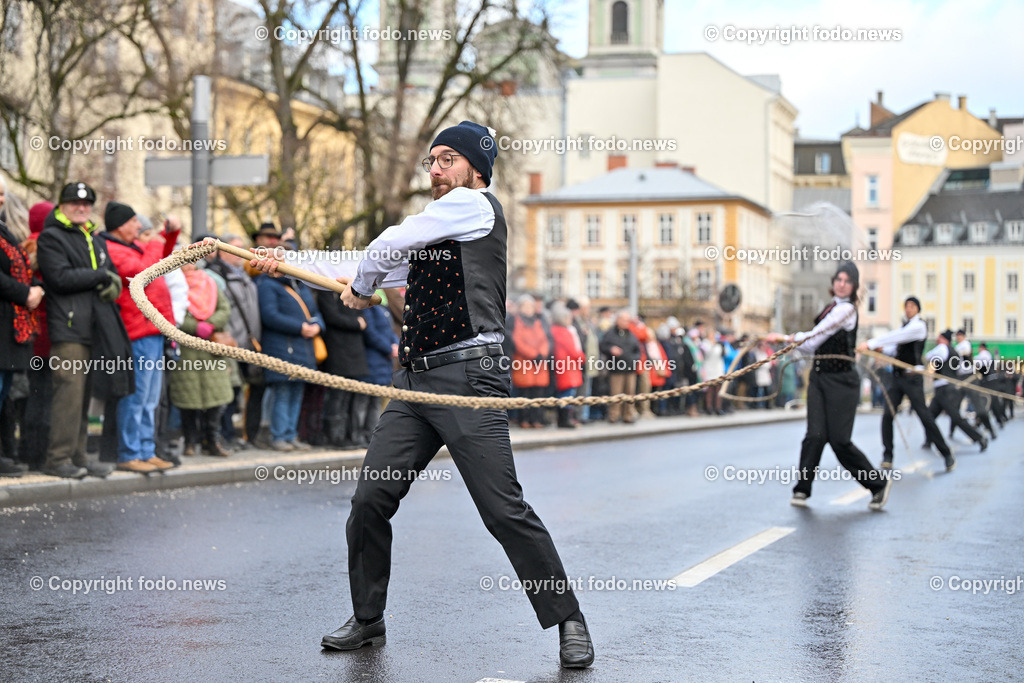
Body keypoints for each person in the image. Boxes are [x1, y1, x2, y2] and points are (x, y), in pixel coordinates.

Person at [247, 120, 593, 668]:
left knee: (503, 510)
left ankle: (569, 619)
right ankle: (368, 619)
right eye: (432, 160)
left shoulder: (474, 206)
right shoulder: (436, 236)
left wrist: (362, 289)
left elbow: (384, 248)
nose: (436, 169)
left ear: (477, 169)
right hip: (414, 385)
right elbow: (361, 262)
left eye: (448, 159)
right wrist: (283, 263)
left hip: (468, 380)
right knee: (370, 500)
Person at [773, 263, 891, 510]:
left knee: (839, 441)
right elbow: (813, 343)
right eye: (838, 279)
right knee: (814, 435)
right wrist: (790, 342)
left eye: (847, 281)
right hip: (819, 379)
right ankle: (802, 488)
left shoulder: (846, 311)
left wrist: (785, 339)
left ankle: (878, 484)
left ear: (854, 286)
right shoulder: (832, 307)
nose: (841, 284)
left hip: (842, 383)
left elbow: (813, 340)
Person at [35, 183, 127, 479]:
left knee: (85, 397)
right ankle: (58, 459)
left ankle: (79, 456)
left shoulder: (94, 238)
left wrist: (106, 279)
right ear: (61, 205)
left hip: (95, 327)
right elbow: (59, 278)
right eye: (74, 202)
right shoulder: (51, 237)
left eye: (86, 204)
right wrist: (100, 276)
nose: (81, 208)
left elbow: (111, 275)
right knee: (69, 397)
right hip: (69, 328)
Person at [99, 202, 179, 473]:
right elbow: (144, 272)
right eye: (134, 221)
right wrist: (157, 241)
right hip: (137, 332)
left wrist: (169, 235)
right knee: (136, 397)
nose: (138, 226)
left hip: (152, 330)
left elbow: (162, 258)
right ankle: (129, 452)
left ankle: (146, 450)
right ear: (120, 225)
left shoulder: (131, 247)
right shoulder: (114, 249)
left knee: (150, 399)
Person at [858, 296, 955, 472]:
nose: (908, 309)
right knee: (888, 414)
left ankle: (946, 453)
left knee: (924, 416)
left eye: (912, 306)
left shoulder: (918, 327)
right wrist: (880, 349)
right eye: (906, 306)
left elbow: (898, 336)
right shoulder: (905, 327)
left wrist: (871, 343)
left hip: (912, 379)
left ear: (918, 309)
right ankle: (887, 456)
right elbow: (895, 349)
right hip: (898, 378)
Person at [169, 261, 234, 457]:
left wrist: (210, 324)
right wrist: (194, 327)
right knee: (188, 401)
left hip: (212, 350)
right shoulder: (175, 283)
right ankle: (190, 441)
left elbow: (224, 308)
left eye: (191, 262)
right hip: (186, 351)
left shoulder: (209, 282)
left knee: (216, 399)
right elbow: (174, 312)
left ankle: (212, 441)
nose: (188, 266)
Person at [256, 261, 321, 451]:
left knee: (297, 393)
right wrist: (299, 327)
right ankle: (279, 436)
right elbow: (269, 315)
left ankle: (291, 434)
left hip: (304, 348)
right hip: (281, 347)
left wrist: (317, 326)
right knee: (282, 392)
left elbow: (315, 313)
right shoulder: (267, 285)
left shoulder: (301, 285)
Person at [0, 198, 43, 476]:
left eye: (3, 193)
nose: (2, 199)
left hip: (10, 327)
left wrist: (36, 288)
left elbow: (24, 270)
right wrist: (24, 293)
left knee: (4, 394)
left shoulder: (5, 231)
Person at [922, 329, 988, 453]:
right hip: (942, 389)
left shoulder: (943, 348)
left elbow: (928, 356)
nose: (937, 340)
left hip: (946, 390)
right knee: (929, 416)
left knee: (956, 418)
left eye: (939, 338)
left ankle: (979, 438)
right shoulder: (953, 350)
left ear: (944, 339)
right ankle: (929, 440)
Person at [511, 294, 551, 428]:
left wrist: (542, 353)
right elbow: (518, 341)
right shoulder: (517, 322)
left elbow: (544, 340)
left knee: (538, 393)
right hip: (524, 362)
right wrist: (533, 354)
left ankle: (536, 419)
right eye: (526, 306)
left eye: (530, 306)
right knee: (525, 393)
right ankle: (524, 420)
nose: (529, 309)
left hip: (539, 363)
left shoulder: (538, 322)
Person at [599, 309, 641, 424]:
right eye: (624, 320)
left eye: (627, 320)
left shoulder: (631, 334)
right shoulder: (610, 333)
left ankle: (628, 415)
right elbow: (602, 346)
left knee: (630, 393)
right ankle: (614, 415)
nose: (626, 322)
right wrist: (611, 349)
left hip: (630, 368)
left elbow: (638, 351)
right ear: (618, 320)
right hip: (616, 368)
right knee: (616, 393)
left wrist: (634, 360)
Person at [550, 301, 584, 428]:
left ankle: (564, 419)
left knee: (564, 394)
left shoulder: (554, 330)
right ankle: (565, 420)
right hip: (567, 367)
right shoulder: (563, 332)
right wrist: (582, 357)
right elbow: (573, 350)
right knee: (567, 395)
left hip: (563, 366)